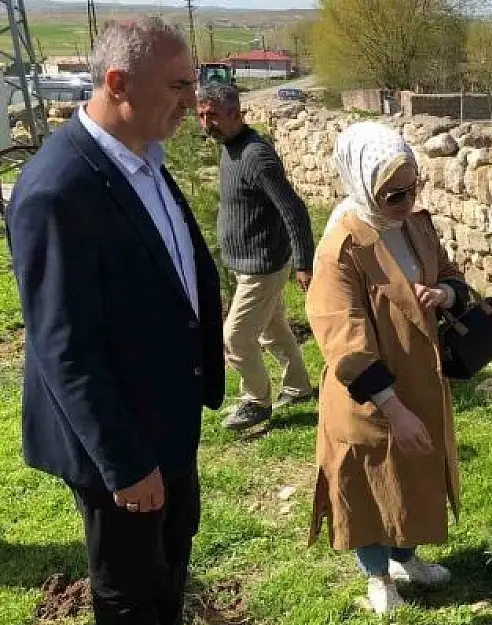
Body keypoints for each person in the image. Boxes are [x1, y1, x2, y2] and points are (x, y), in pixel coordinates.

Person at [5, 18, 224, 625]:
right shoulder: (58, 189)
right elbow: (63, 347)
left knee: (169, 572)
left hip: (169, 421)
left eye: (196, 82)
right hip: (120, 444)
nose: (194, 100)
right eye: (180, 85)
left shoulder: (144, 156)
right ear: (119, 82)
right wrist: (125, 462)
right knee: (131, 596)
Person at [305, 121, 471, 614]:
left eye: (414, 187)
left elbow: (451, 275)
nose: (407, 200)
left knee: (415, 476)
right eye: (394, 193)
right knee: (372, 481)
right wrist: (393, 410)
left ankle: (406, 558)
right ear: (363, 185)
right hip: (369, 395)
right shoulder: (341, 249)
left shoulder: (415, 223)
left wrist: (443, 293)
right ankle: (379, 577)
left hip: (420, 379)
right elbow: (346, 343)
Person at [196, 82, 316, 431]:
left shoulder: (255, 156)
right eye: (202, 115)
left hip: (262, 266)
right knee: (272, 329)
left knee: (234, 337)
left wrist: (304, 262)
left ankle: (256, 402)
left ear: (236, 113)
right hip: (248, 264)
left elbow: (293, 210)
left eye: (214, 115)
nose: (207, 123)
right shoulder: (229, 147)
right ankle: (298, 386)